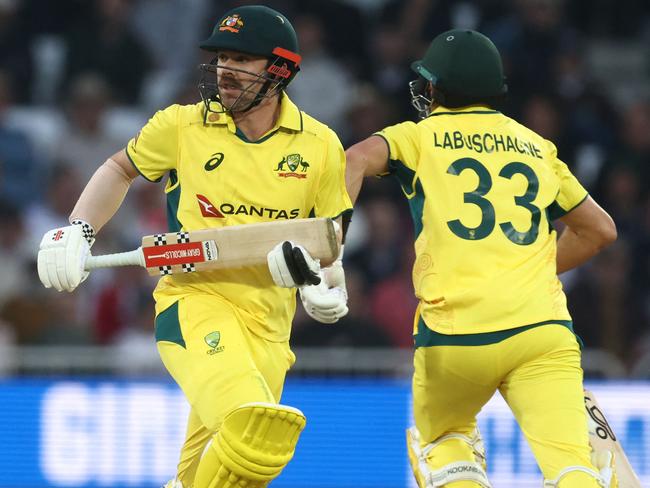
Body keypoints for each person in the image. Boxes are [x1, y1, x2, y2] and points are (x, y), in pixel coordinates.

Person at [36, 5, 351, 488]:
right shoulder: (182, 125)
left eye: (243, 60)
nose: (225, 70)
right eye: (222, 57)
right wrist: (79, 230)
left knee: (225, 472)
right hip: (194, 303)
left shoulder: (322, 146)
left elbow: (328, 242)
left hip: (270, 330)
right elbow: (119, 169)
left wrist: (326, 287)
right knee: (254, 427)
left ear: (280, 70)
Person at [345, 29, 618, 488]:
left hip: (456, 338)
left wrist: (331, 242)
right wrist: (523, 268)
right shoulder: (536, 145)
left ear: (434, 89)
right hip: (540, 330)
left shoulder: (418, 136)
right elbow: (601, 230)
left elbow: (354, 159)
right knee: (572, 465)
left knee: (442, 442)